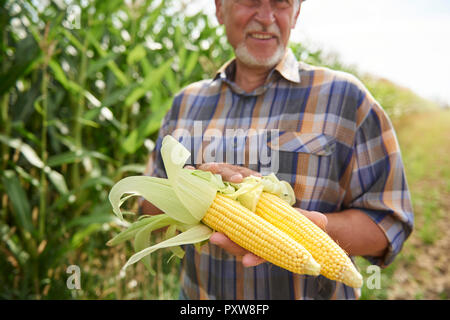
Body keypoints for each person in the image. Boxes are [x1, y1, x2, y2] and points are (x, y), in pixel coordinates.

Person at [141, 0, 414, 299]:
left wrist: (313, 228)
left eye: (281, 4)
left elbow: (388, 224)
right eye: (250, 1)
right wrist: (198, 194)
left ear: (296, 12)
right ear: (220, 9)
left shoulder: (346, 98)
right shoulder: (185, 103)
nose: (266, 17)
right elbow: (148, 209)